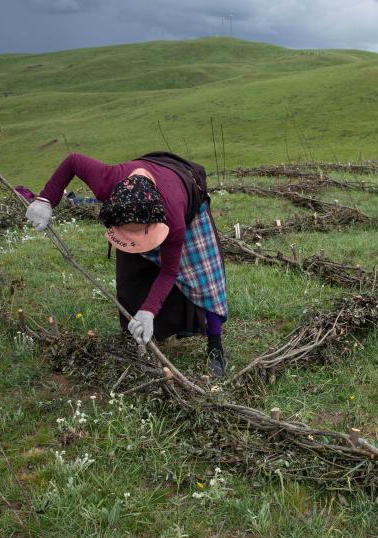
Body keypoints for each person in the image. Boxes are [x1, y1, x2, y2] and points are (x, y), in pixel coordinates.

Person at [23, 151, 228, 376]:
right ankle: (137, 341)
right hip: (139, 210)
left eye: (141, 236)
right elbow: (73, 160)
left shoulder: (174, 217)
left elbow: (170, 271)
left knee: (206, 280)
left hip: (185, 198)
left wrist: (149, 311)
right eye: (130, 235)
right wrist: (46, 200)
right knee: (130, 283)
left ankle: (215, 345)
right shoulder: (107, 182)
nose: (139, 245)